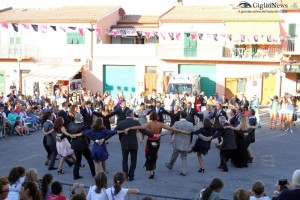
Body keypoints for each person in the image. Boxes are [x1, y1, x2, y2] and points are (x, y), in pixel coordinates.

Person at [126, 111, 188, 179]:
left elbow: (139, 127)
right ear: (157, 117)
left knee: (149, 155)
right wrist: (181, 131)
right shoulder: (160, 124)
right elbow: (171, 128)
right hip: (157, 141)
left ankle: (151, 171)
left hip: (150, 141)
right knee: (154, 155)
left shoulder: (149, 124)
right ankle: (153, 169)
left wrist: (130, 128)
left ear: (151, 117)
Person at [106, 109, 158, 181]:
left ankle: (125, 176)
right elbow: (143, 131)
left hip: (124, 144)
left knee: (125, 160)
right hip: (133, 144)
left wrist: (103, 139)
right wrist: (153, 135)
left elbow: (113, 132)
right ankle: (131, 176)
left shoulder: (121, 123)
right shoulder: (136, 122)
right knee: (133, 160)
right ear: (132, 115)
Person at [165, 111, 196, 176]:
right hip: (186, 143)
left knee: (174, 154)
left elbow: (170, 131)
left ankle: (170, 165)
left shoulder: (177, 123)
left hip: (177, 142)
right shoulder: (190, 124)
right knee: (184, 157)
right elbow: (196, 132)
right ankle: (183, 171)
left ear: (180, 116)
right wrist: (205, 137)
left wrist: (160, 134)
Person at [67, 112, 95, 180]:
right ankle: (94, 173)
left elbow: (67, 132)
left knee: (78, 161)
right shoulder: (82, 126)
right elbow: (88, 134)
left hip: (75, 145)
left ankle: (75, 175)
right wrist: (95, 140)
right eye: (82, 117)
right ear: (80, 118)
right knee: (90, 159)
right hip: (83, 145)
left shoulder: (70, 125)